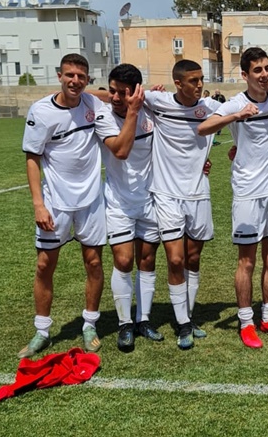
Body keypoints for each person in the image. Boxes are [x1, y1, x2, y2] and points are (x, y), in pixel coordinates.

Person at [198, 47, 268, 348]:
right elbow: (203, 128)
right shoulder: (236, 103)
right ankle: (246, 322)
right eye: (257, 70)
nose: (264, 74)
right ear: (244, 74)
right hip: (248, 192)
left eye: (267, 69)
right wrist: (236, 116)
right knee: (246, 261)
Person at [19, 53, 106, 358]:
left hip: (91, 200)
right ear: (60, 76)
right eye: (70, 75)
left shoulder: (92, 103)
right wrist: (38, 205)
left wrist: (148, 91)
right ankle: (42, 332)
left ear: (87, 79)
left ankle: (90, 324)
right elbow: (32, 158)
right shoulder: (41, 111)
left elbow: (114, 96)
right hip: (55, 202)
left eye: (81, 77)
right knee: (45, 265)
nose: (75, 81)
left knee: (94, 263)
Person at [145, 59, 221, 350]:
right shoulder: (159, 101)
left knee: (192, 258)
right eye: (193, 81)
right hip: (166, 193)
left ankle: (186, 316)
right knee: (175, 259)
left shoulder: (211, 108)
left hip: (199, 193)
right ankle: (183, 323)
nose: (199, 85)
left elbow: (248, 108)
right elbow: (121, 93)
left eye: (201, 79)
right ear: (178, 83)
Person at [94, 63, 165, 352]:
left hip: (150, 200)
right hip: (119, 202)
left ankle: (143, 320)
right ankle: (124, 324)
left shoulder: (150, 110)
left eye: (122, 93)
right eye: (111, 91)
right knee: (123, 261)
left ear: (135, 91)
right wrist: (133, 110)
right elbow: (121, 151)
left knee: (147, 260)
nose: (114, 97)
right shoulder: (104, 116)